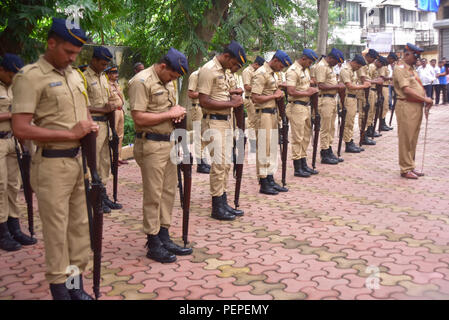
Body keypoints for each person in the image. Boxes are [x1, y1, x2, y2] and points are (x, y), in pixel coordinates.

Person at [11, 18, 97, 300]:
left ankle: (75, 287)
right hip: (50, 164)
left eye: (76, 54)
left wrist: (87, 127)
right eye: (68, 52)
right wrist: (70, 133)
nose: (73, 58)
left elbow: (82, 115)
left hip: (76, 164)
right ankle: (60, 291)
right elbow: (20, 128)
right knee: (57, 231)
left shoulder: (74, 75)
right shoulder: (29, 76)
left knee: (79, 228)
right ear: (51, 43)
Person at [128, 48, 193, 263]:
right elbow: (138, 118)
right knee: (153, 194)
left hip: (169, 143)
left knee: (168, 192)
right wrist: (169, 114)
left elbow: (169, 108)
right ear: (163, 66)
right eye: (172, 76)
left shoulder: (168, 81)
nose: (173, 80)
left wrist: (177, 113)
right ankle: (153, 241)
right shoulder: (141, 81)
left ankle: (164, 234)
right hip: (151, 144)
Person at [197, 41, 246, 221]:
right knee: (218, 165)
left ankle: (223, 202)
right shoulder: (209, 70)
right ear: (226, 56)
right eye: (234, 64)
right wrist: (230, 103)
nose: (234, 68)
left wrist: (232, 98)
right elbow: (204, 100)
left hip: (225, 123)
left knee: (225, 164)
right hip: (213, 123)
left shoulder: (222, 71)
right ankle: (217, 206)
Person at [0, 53, 37, 252]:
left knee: (14, 186)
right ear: (2, 70)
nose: (14, 78)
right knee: (0, 185)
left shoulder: (15, 88)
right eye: (11, 74)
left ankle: (14, 226)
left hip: (13, 141)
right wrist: (10, 114)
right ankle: (2, 231)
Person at [84, 46, 123, 213]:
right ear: (93, 60)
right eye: (101, 63)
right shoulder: (84, 77)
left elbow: (111, 102)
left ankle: (103, 193)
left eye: (106, 64)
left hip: (105, 125)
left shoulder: (103, 78)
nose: (103, 67)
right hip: (92, 125)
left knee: (105, 161)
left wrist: (111, 108)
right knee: (93, 162)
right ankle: (94, 196)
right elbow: (81, 106)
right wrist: (103, 110)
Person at [251, 50, 291, 194]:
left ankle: (270, 178)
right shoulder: (261, 73)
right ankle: (263, 181)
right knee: (264, 148)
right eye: (281, 66)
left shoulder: (272, 73)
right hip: (263, 115)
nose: (282, 69)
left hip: (272, 114)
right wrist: (274, 95)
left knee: (272, 148)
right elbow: (255, 97)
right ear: (275, 60)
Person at [393, 43, 432, 179]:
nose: (417, 60)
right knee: (406, 138)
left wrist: (425, 99)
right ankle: (405, 168)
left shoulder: (412, 69)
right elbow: (406, 90)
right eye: (416, 57)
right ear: (407, 54)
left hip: (416, 106)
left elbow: (417, 87)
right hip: (406, 105)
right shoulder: (400, 68)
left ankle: (410, 165)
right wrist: (424, 99)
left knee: (413, 138)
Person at [285, 49, 319, 178]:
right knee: (297, 137)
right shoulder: (293, 71)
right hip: (296, 106)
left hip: (305, 106)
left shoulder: (305, 70)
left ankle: (304, 163)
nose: (310, 64)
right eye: (309, 61)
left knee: (306, 136)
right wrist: (307, 93)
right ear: (303, 58)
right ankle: (297, 167)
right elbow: (291, 91)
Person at [314, 48, 346, 164]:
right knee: (325, 127)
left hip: (332, 99)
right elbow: (321, 85)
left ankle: (329, 149)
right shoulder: (322, 66)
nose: (336, 64)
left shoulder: (330, 67)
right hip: (325, 99)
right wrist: (337, 87)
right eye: (336, 61)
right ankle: (324, 152)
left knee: (331, 127)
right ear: (331, 58)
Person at [339, 54, 370, 153]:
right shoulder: (345, 70)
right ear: (355, 62)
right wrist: (363, 86)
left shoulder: (352, 71)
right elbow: (349, 86)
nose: (358, 69)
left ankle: (350, 140)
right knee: (348, 122)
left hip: (353, 98)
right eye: (358, 66)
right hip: (347, 98)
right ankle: (348, 143)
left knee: (351, 121)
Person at [188, 68, 210, 174]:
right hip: (197, 108)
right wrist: (205, 93)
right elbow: (191, 94)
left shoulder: (206, 75)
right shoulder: (195, 75)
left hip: (205, 107)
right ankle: (200, 163)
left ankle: (203, 159)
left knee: (205, 135)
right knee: (198, 136)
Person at [105, 65, 127, 165]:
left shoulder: (117, 85)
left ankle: (118, 157)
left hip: (120, 110)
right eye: (113, 73)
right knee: (112, 135)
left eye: (116, 73)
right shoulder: (106, 85)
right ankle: (112, 158)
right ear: (108, 74)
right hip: (113, 112)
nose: (116, 75)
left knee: (120, 135)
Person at [242, 56, 265, 153]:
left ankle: (256, 143)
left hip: (256, 99)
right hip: (250, 99)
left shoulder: (257, 71)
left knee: (257, 121)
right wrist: (260, 87)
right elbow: (247, 87)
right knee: (252, 122)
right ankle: (252, 145)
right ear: (256, 64)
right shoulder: (247, 71)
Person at [357, 48, 379, 146]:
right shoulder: (362, 65)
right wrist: (375, 81)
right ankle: (363, 135)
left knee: (368, 113)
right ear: (368, 56)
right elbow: (363, 79)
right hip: (362, 92)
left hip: (368, 91)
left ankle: (365, 133)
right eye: (373, 59)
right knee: (363, 114)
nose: (373, 61)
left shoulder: (367, 65)